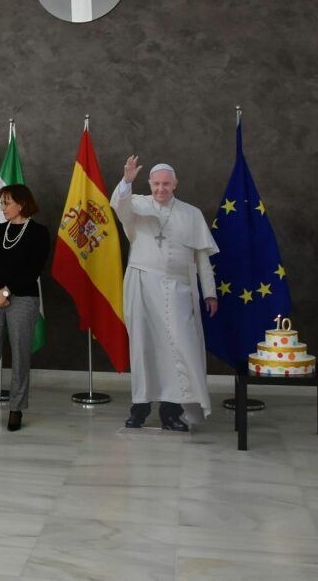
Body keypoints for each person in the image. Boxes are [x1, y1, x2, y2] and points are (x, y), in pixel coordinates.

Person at [111, 158, 218, 431]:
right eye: (156, 184)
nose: (161, 189)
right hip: (143, 284)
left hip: (178, 289)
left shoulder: (191, 214)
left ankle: (171, 412)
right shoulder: (137, 203)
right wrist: (126, 181)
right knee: (143, 347)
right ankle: (141, 408)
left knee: (179, 350)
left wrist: (210, 293)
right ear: (150, 184)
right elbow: (120, 206)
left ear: (175, 184)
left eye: (166, 184)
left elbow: (201, 255)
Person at [0, 184, 49, 433]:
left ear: (22, 204)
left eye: (7, 203)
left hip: (23, 299)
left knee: (20, 353)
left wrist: (6, 291)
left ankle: (16, 409)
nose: (3, 208)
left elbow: (33, 268)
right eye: (1, 203)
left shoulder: (38, 232)